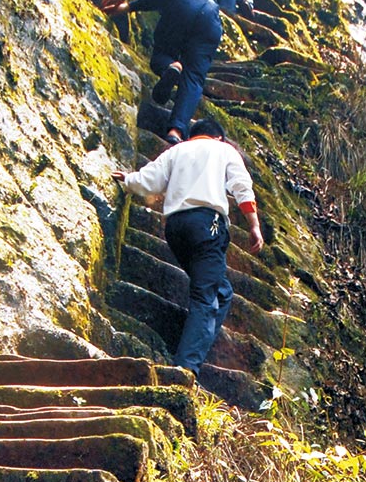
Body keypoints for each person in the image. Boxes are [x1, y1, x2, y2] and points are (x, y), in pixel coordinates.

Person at [113, 117, 264, 377]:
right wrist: (254, 226)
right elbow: (242, 187)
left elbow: (149, 180)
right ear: (218, 137)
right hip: (206, 225)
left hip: (175, 228)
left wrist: (127, 180)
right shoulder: (224, 150)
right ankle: (184, 368)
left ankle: (194, 344)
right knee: (207, 299)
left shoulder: (176, 150)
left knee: (221, 293)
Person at [100, 0, 222, 144]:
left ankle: (170, 65)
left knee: (162, 56)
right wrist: (129, 7)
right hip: (211, 15)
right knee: (194, 77)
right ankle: (176, 131)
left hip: (184, 3)